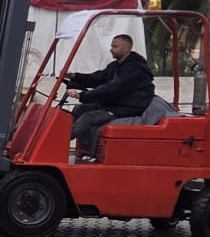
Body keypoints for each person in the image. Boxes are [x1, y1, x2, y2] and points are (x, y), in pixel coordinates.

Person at [63, 32, 155, 160]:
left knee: (88, 117)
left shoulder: (135, 69)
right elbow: (97, 78)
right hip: (113, 104)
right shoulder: (115, 66)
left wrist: (82, 95)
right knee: (79, 109)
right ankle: (79, 147)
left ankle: (59, 142)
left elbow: (112, 88)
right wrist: (74, 76)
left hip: (126, 108)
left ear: (126, 48)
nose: (111, 49)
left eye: (115, 46)